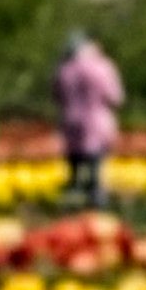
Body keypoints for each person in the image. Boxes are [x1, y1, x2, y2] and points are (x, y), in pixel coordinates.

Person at [53, 32, 125, 208]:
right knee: (96, 170)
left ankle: (70, 206)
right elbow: (115, 97)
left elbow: (56, 96)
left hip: (71, 122)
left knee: (74, 170)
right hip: (97, 121)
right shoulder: (102, 67)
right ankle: (97, 206)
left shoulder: (64, 70)